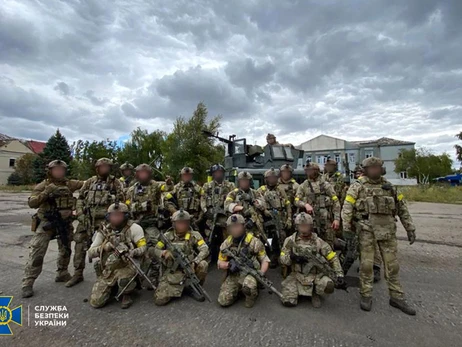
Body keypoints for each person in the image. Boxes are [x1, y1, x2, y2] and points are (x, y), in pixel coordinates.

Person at [342, 157, 417, 315]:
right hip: (366, 231)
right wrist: (346, 226)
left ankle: (396, 296)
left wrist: (410, 228)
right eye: (372, 168)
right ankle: (366, 294)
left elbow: (402, 208)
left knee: (392, 266)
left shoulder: (389, 187)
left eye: (378, 167)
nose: (375, 170)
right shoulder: (357, 187)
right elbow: (347, 206)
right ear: (366, 170)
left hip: (387, 231)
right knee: (366, 265)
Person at [22, 160, 84, 298]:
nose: (59, 172)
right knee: (38, 251)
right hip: (47, 223)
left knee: (66, 250)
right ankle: (28, 282)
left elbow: (85, 183)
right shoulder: (44, 185)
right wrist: (47, 192)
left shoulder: (69, 184)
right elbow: (32, 203)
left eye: (62, 169)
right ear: (50, 171)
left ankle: (62, 273)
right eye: (56, 169)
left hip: (64, 223)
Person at [72, 158, 125, 287]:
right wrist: (80, 214)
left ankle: (107, 275)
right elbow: (80, 199)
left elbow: (123, 201)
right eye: (102, 167)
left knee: (109, 247)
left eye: (107, 167)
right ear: (97, 168)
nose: (104, 169)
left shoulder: (115, 183)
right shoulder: (90, 182)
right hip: (88, 219)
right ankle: (77, 273)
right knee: (79, 244)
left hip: (106, 221)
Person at [88, 203, 146, 309]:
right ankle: (112, 288)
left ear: (126, 216)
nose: (115, 218)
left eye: (119, 215)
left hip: (127, 266)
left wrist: (132, 252)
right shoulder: (103, 231)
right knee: (96, 302)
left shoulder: (134, 228)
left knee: (124, 279)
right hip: (109, 268)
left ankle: (127, 293)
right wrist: (104, 247)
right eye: (113, 215)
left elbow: (143, 248)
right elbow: (90, 253)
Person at [280, 212, 344, 307]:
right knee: (288, 302)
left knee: (328, 285)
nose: (304, 229)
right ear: (296, 226)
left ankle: (315, 292)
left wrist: (339, 274)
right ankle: (297, 291)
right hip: (296, 275)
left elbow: (333, 257)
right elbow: (282, 258)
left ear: (311, 226)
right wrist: (292, 258)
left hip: (315, 276)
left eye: (306, 226)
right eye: (301, 226)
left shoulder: (318, 242)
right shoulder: (290, 241)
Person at [125, 163, 173, 286]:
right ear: (136, 174)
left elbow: (167, 188)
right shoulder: (131, 190)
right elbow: (128, 206)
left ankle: (154, 276)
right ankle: (133, 277)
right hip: (136, 224)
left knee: (157, 247)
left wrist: (168, 182)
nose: (143, 175)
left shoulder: (155, 186)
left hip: (152, 224)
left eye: (146, 173)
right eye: (141, 173)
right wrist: (143, 206)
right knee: (132, 249)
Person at [152, 210, 209, 306]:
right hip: (173, 270)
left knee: (203, 264)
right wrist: (164, 252)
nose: (182, 225)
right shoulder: (167, 236)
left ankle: (192, 287)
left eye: (185, 223)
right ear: (174, 224)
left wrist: (195, 262)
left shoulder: (194, 235)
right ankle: (179, 286)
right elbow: (155, 249)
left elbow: (205, 249)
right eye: (179, 223)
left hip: (189, 267)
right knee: (160, 300)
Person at [217, 214, 270, 308]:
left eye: (238, 226)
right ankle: (238, 291)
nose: (235, 229)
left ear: (243, 226)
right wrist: (229, 264)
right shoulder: (226, 244)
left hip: (250, 274)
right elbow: (219, 262)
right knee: (223, 300)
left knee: (249, 289)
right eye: (232, 227)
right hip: (235, 274)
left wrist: (261, 273)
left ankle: (252, 293)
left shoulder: (254, 242)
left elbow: (265, 259)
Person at [295, 162, 340, 247]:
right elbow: (296, 200)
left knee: (328, 244)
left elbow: (335, 201)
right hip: (311, 220)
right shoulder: (304, 185)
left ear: (316, 171)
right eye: (307, 171)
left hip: (326, 220)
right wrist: (305, 205)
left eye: (310, 171)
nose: (308, 173)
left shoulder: (325, 185)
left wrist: (336, 219)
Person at [257, 168, 292, 267]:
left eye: (274, 178)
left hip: (279, 217)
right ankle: (271, 255)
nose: (272, 180)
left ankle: (282, 256)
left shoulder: (280, 190)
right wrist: (264, 210)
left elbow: (287, 204)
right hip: (266, 219)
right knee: (269, 238)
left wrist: (289, 218)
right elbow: (256, 203)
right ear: (266, 179)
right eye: (270, 178)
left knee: (281, 237)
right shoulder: (261, 190)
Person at [201, 164, 235, 254]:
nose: (218, 174)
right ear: (213, 174)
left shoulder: (230, 185)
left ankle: (227, 255)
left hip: (225, 217)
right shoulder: (207, 186)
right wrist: (206, 211)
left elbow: (234, 199)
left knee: (228, 237)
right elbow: (203, 200)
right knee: (209, 237)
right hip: (211, 217)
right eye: (216, 173)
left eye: (220, 172)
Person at [224, 171, 267, 243]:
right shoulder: (233, 193)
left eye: (246, 181)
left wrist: (252, 200)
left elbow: (263, 204)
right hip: (238, 224)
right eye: (242, 181)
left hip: (254, 224)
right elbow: (227, 205)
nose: (244, 183)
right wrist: (240, 208)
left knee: (257, 243)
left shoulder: (255, 193)